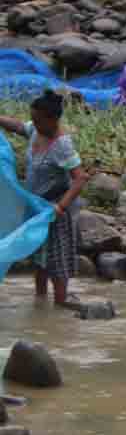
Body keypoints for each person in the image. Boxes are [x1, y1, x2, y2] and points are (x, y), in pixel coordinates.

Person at [0, 90, 89, 308]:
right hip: (37, 207)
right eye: (34, 119)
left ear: (53, 119)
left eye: (39, 121)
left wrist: (60, 207)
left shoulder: (62, 145)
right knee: (40, 258)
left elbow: (79, 179)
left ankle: (60, 302)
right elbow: (20, 126)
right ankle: (40, 302)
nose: (35, 124)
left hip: (55, 209)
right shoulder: (36, 131)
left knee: (57, 260)